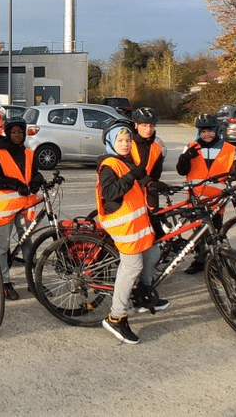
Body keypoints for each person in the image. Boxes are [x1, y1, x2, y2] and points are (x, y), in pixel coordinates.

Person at [97, 120, 169, 344]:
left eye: (128, 140)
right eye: (120, 140)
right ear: (111, 142)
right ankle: (116, 317)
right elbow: (110, 192)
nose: (126, 144)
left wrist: (153, 184)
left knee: (152, 253)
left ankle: (140, 295)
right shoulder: (109, 163)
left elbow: (138, 178)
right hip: (123, 225)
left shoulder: (123, 161)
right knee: (133, 266)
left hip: (137, 225)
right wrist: (131, 177)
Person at [176, 114, 236, 274]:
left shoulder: (227, 148)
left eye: (210, 131)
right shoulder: (191, 146)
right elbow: (182, 171)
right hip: (196, 199)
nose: (206, 134)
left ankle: (217, 260)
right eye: (203, 131)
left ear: (216, 130)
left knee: (216, 231)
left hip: (216, 199)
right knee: (198, 233)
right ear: (199, 132)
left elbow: (232, 165)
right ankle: (200, 261)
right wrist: (184, 158)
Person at [0, 117, 44, 301]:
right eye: (13, 132)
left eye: (20, 132)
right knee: (2, 245)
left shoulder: (28, 153)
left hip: (25, 206)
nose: (17, 135)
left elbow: (35, 173)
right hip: (5, 207)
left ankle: (33, 282)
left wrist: (37, 181)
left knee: (28, 243)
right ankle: (4, 282)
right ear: (8, 133)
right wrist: (16, 185)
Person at [129, 107, 166, 211]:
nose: (148, 129)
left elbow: (156, 174)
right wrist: (148, 182)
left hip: (150, 191)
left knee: (154, 220)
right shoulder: (127, 145)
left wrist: (156, 185)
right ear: (136, 125)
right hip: (129, 190)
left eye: (151, 126)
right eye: (144, 125)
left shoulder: (157, 147)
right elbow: (127, 168)